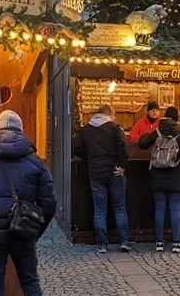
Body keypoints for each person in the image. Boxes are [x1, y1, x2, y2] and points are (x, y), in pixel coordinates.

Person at [0, 110, 56, 296]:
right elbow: (49, 204)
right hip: (22, 230)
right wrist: (35, 231)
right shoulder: (37, 162)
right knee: (30, 281)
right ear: (21, 131)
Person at [73, 105, 131, 253]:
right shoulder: (115, 128)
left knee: (99, 210)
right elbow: (123, 145)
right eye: (114, 114)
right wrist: (123, 165)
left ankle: (102, 244)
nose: (115, 117)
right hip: (115, 172)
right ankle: (124, 241)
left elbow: (77, 148)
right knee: (119, 207)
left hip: (96, 173)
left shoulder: (85, 130)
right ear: (109, 114)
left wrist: (90, 159)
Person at [138, 106, 180, 253]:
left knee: (160, 209)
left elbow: (142, 145)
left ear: (165, 117)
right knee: (175, 209)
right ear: (176, 119)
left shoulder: (157, 132)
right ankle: (176, 243)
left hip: (157, 176)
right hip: (176, 176)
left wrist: (144, 137)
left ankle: (159, 242)